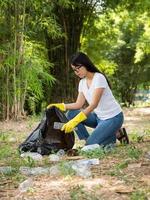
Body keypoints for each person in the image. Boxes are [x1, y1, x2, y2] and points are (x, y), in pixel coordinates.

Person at [47, 52, 127, 146]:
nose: (77, 72)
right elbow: (78, 104)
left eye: (78, 68)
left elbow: (93, 104)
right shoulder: (82, 83)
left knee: (95, 145)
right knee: (71, 114)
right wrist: (61, 106)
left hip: (113, 117)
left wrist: (75, 121)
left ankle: (114, 134)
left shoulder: (98, 78)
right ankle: (87, 140)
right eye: (74, 70)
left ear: (85, 64)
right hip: (98, 118)